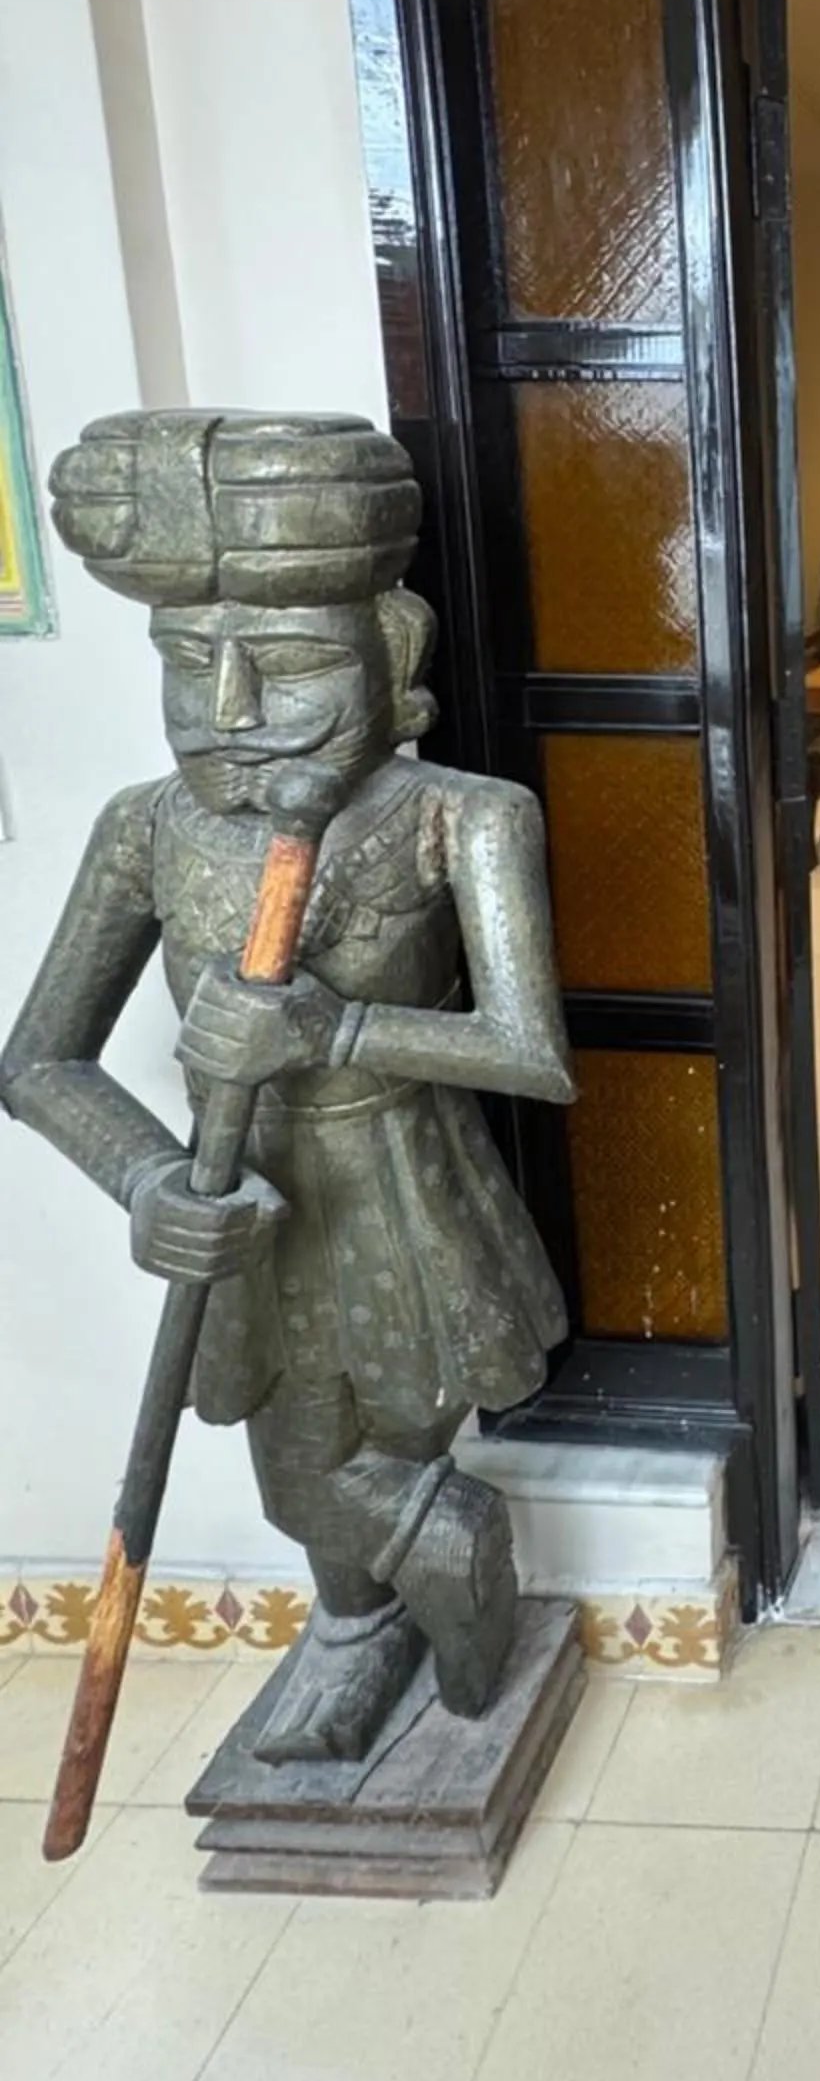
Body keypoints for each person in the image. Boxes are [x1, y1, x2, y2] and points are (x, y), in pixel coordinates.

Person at [1, 410, 571, 1764]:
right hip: (246, 1194)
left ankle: (416, 1566)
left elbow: (528, 1052)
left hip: (403, 1183)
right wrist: (149, 1180)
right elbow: (38, 1059)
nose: (233, 715)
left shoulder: (458, 816)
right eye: (190, 666)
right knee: (288, 1455)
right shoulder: (147, 828)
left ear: (393, 658)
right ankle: (365, 1618)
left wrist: (334, 1028)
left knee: (388, 1432)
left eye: (295, 665)